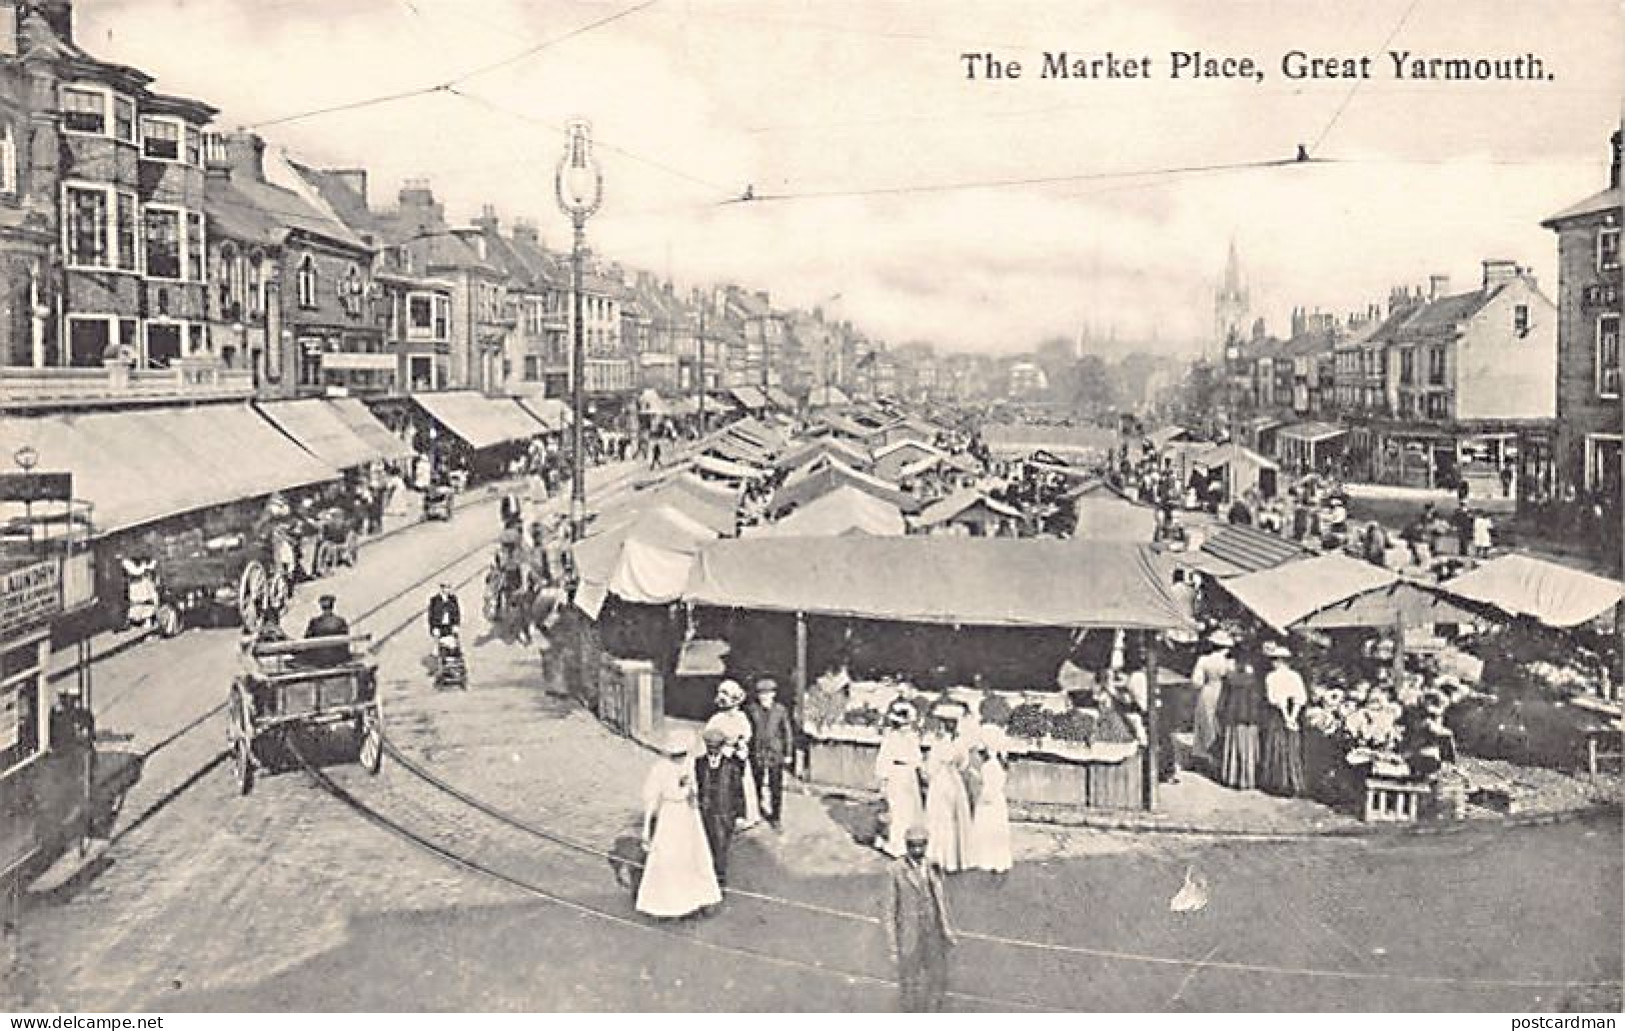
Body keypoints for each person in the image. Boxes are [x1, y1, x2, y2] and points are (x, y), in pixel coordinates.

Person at [637, 730, 722, 919]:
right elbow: (651, 799)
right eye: (676, 754)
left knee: (693, 854)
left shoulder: (690, 764)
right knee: (668, 856)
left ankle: (696, 899)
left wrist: (693, 796)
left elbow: (696, 788)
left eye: (683, 753)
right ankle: (667, 904)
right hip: (670, 815)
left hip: (688, 814)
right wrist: (646, 830)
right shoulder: (660, 769)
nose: (680, 758)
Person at [884, 825, 955, 1013]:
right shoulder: (895, 870)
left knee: (937, 982)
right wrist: (893, 947)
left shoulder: (933, 867)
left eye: (921, 846)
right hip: (909, 938)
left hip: (933, 936)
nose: (917, 851)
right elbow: (889, 912)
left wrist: (947, 930)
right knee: (909, 986)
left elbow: (941, 901)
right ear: (906, 846)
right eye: (912, 846)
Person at [921, 705, 974, 873]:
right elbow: (961, 764)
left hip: (946, 781)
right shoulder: (948, 742)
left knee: (948, 818)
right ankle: (945, 857)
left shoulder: (949, 742)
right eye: (948, 722)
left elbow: (961, 764)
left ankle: (947, 857)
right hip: (947, 780)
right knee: (945, 818)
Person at [705, 680, 762, 829]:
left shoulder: (741, 717)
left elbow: (747, 733)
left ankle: (746, 815)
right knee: (724, 785)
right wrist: (722, 748)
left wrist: (741, 745)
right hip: (723, 755)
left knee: (743, 784)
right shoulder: (717, 719)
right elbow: (709, 736)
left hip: (738, 755)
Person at [694, 726, 745, 886]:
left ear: (722, 747)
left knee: (722, 844)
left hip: (725, 812)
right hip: (706, 810)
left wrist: (741, 815)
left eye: (716, 748)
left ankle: (720, 877)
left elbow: (738, 791)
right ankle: (708, 873)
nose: (713, 752)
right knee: (707, 842)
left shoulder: (731, 766)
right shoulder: (699, 763)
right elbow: (697, 785)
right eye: (710, 748)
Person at [875, 700, 926, 857]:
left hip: (909, 774)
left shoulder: (912, 738)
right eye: (901, 724)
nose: (905, 727)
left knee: (910, 809)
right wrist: (883, 779)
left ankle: (910, 842)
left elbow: (917, 758)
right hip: (896, 773)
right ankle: (896, 845)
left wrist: (921, 772)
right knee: (896, 809)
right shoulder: (891, 738)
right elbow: (884, 759)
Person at [1259, 641, 1308, 797]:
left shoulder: (1272, 677)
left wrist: (1287, 717)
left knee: (1278, 746)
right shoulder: (1295, 676)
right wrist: (1293, 717)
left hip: (1278, 714)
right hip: (1291, 712)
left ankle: (1279, 783)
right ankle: (1291, 782)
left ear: (1280, 661)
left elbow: (1275, 699)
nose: (1272, 663)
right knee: (1290, 746)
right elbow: (1300, 698)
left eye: (1274, 660)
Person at [744, 678, 794, 830]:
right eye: (761, 694)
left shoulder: (780, 710)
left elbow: (787, 732)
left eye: (767, 693)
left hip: (775, 753)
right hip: (757, 752)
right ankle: (757, 811)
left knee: (775, 786)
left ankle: (776, 817)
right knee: (756, 783)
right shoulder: (752, 709)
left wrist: (788, 753)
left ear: (773, 694)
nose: (764, 697)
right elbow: (747, 730)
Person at [1216, 645, 1265, 790]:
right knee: (1249, 749)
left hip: (1233, 715)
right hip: (1251, 717)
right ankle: (1249, 779)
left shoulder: (1229, 678)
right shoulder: (1256, 680)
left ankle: (1232, 777)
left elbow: (1222, 701)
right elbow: (1259, 700)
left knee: (1233, 747)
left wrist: (1220, 715)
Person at [966, 727, 1012, 874]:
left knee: (987, 829)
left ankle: (987, 859)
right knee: (997, 831)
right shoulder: (1000, 763)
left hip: (988, 800)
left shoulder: (988, 766)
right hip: (998, 800)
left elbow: (989, 785)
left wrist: (982, 794)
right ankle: (998, 860)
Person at [1189, 630, 1236, 773]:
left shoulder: (1203, 660)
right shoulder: (1229, 663)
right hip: (1224, 693)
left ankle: (1203, 756)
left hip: (1208, 691)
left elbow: (1196, 682)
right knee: (1220, 724)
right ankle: (1221, 759)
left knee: (1205, 723)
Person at [302, 594, 351, 666]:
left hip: (319, 658)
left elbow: (307, 641)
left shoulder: (315, 622)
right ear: (332, 606)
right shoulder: (341, 621)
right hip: (338, 658)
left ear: (321, 607)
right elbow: (346, 643)